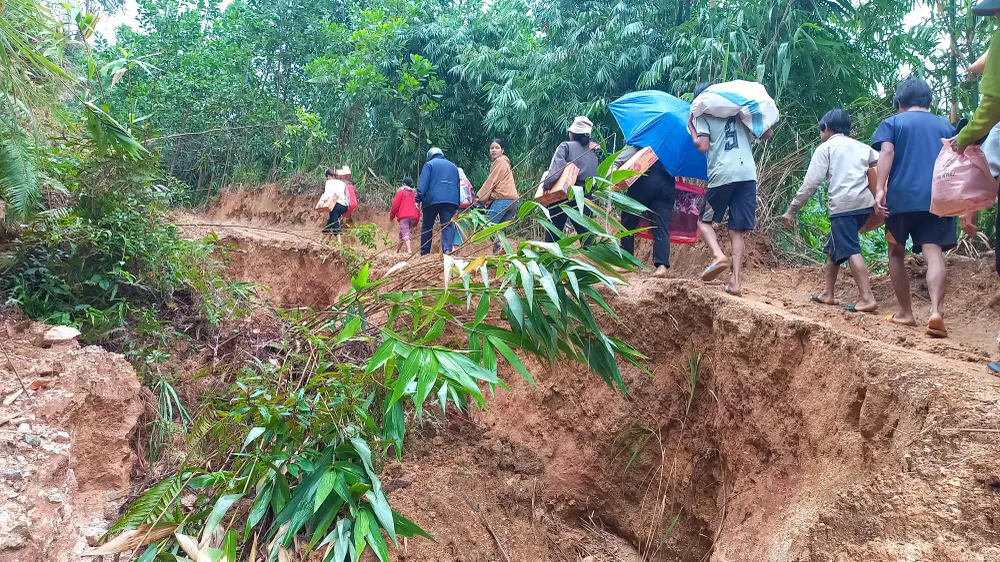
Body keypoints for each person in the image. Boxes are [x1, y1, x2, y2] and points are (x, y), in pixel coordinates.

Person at [872, 78, 956, 338]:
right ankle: (936, 312)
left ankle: (905, 313)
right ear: (929, 101)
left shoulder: (892, 123)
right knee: (934, 253)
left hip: (900, 199)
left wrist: (880, 189)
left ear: (899, 103)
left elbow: (886, 153)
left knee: (896, 252)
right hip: (937, 199)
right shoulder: (946, 126)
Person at [781, 109, 879, 312]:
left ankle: (867, 298)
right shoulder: (863, 148)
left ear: (825, 128)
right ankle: (828, 293)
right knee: (834, 244)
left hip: (844, 206)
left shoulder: (825, 148)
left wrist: (792, 210)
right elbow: (881, 165)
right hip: (865, 205)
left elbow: (810, 184)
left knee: (850, 248)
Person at [689, 81, 773, 296]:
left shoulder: (701, 114)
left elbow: (702, 146)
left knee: (704, 221)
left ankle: (718, 255)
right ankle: (735, 283)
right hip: (747, 176)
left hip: (722, 176)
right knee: (736, 230)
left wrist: (692, 129)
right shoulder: (740, 112)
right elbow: (767, 133)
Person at [616, 145, 675, 277]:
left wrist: (614, 168)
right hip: (667, 186)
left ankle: (627, 261)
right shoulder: (674, 146)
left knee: (628, 220)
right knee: (661, 226)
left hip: (645, 180)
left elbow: (622, 158)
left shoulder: (644, 138)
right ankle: (661, 266)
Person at [540, 116, 599, 243]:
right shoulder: (593, 154)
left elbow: (556, 170)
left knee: (553, 235)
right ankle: (596, 255)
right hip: (585, 198)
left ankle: (550, 255)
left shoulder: (565, 146)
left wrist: (546, 186)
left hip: (564, 194)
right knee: (587, 236)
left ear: (572, 133)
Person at [476, 138, 519, 252]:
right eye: (492, 148)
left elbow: (491, 182)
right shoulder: (506, 163)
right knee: (499, 231)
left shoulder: (500, 162)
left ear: (502, 150)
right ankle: (500, 254)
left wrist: (479, 198)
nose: (494, 150)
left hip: (503, 200)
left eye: (497, 148)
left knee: (488, 228)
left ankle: (499, 248)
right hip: (513, 202)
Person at [416, 147, 461, 255]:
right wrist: (457, 205)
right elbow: (457, 186)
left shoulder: (429, 164)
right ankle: (447, 251)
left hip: (432, 200)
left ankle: (425, 253)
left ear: (430, 156)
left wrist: (418, 199)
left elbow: (423, 184)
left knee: (427, 226)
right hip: (450, 201)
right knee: (447, 225)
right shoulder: (453, 166)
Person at [389, 177, 420, 254]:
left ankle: (409, 250)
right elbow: (418, 207)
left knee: (405, 232)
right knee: (402, 234)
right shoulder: (415, 194)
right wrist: (417, 221)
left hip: (404, 216)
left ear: (404, 184)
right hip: (414, 217)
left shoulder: (401, 192)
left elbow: (395, 205)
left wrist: (391, 216)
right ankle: (397, 251)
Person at [321, 167, 350, 241]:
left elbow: (326, 194)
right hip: (344, 207)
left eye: (326, 177)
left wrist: (322, 203)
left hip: (336, 205)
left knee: (334, 223)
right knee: (331, 221)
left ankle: (339, 242)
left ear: (328, 176)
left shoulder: (329, 182)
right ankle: (322, 240)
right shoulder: (342, 183)